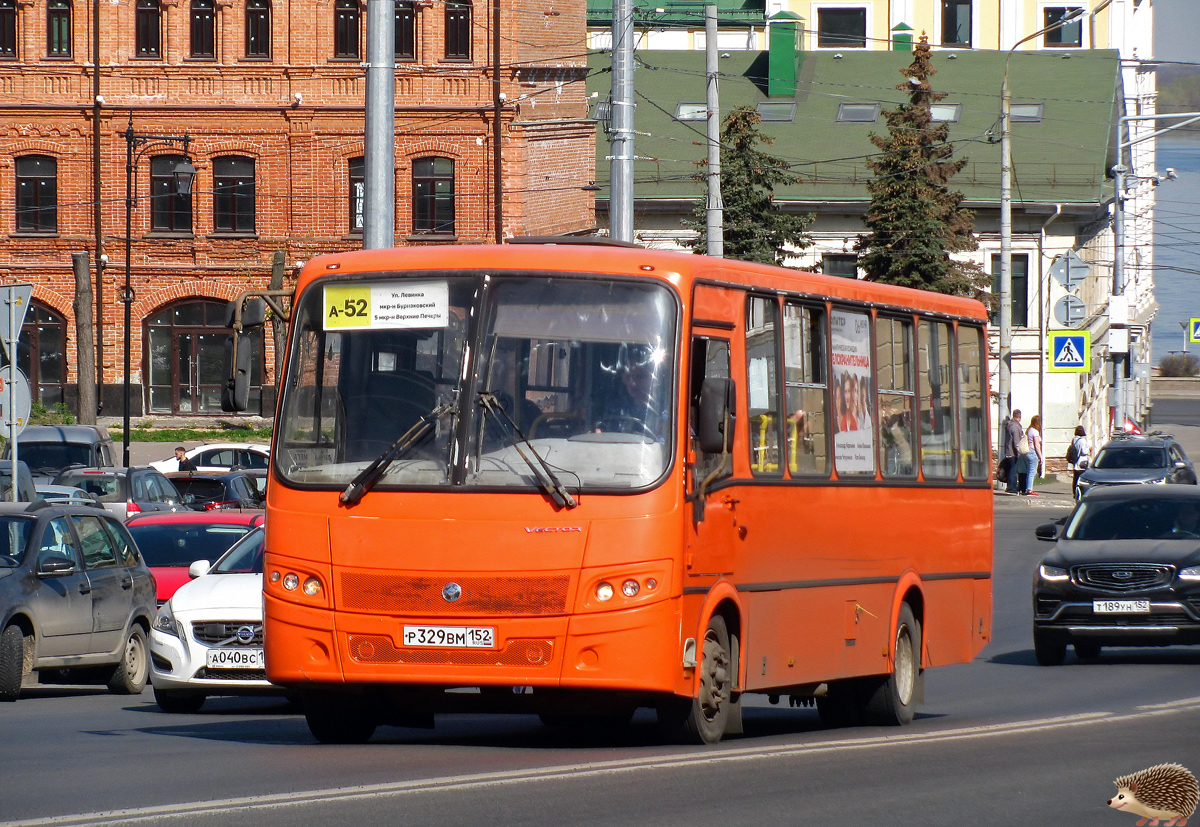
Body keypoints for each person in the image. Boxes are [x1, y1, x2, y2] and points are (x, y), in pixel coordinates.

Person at [1002, 409, 1024, 494]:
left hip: (1008, 450)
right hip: (1013, 452)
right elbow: (1016, 440)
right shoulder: (1015, 426)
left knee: (1011, 469)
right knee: (1013, 470)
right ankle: (1012, 487)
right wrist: (1018, 451)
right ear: (1019, 417)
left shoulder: (1010, 424)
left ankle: (1010, 486)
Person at [1023, 415, 1044, 495]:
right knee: (1032, 472)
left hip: (1028, 452)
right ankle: (1029, 489)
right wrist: (1041, 457)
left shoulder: (1029, 430)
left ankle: (1027, 488)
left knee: (1029, 471)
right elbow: (1037, 445)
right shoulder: (1035, 432)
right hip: (1032, 452)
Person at [1068, 425, 1090, 500]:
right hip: (1082, 462)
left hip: (1075, 461)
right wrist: (1089, 449)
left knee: (1075, 478)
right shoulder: (1082, 441)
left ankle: (1074, 492)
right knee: (1082, 478)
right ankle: (1081, 492)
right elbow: (1084, 451)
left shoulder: (1074, 439)